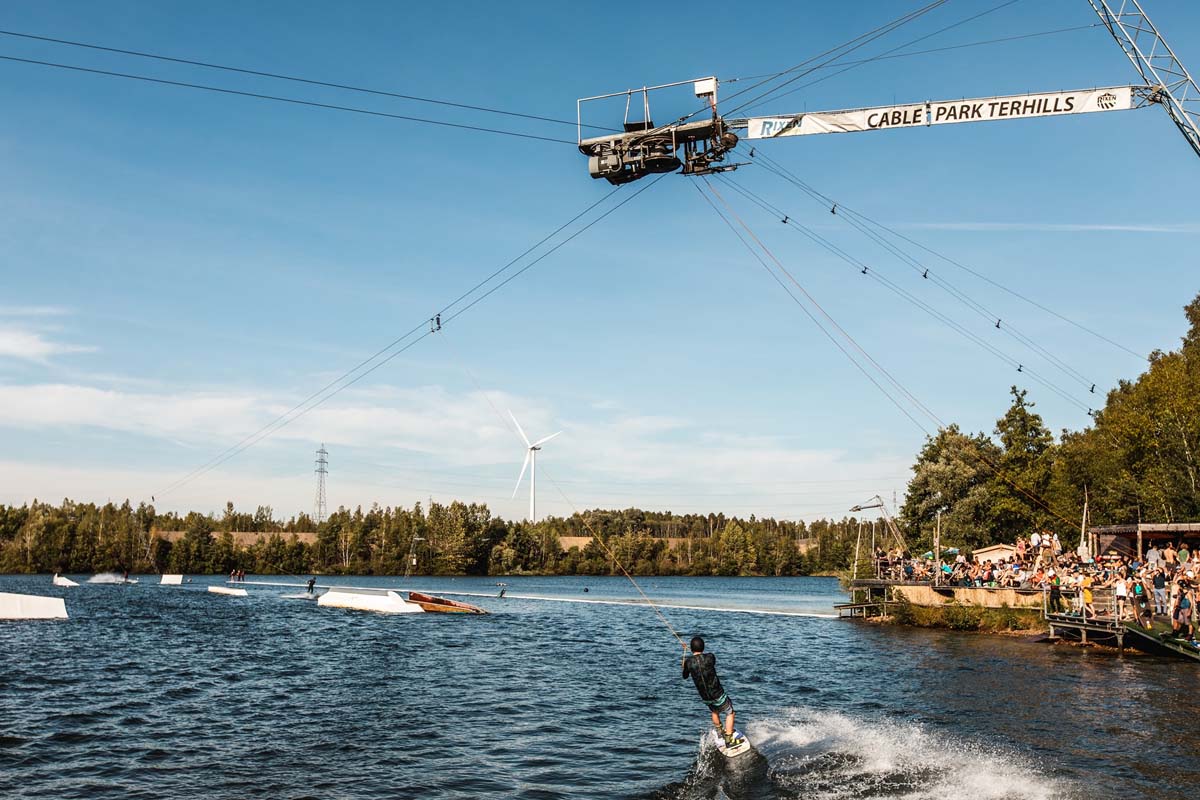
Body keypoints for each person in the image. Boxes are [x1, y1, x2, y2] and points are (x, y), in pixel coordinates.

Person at [682, 636, 739, 747]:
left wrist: (684, 661)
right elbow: (707, 662)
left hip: (705, 697)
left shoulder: (688, 662)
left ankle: (720, 732)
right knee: (730, 712)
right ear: (703, 647)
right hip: (717, 693)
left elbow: (685, 676)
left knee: (714, 711)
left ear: (692, 649)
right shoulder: (710, 657)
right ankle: (728, 738)